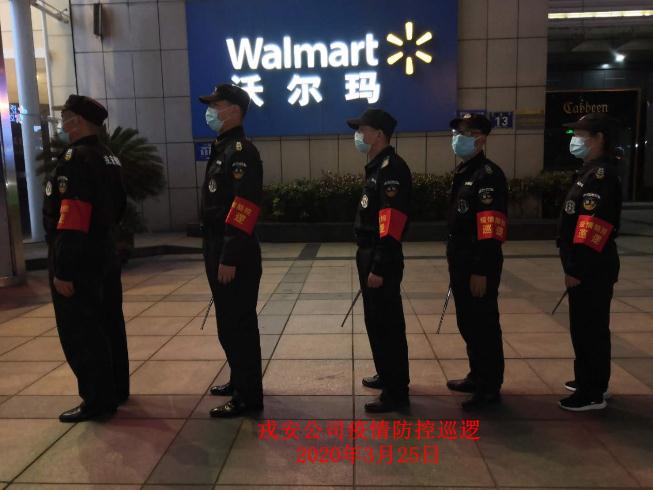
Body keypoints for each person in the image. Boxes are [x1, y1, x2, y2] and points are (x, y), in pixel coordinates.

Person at [42, 95, 128, 422]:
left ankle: (97, 400)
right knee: (109, 323)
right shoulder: (109, 157)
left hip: (79, 257)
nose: (62, 124)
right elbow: (118, 208)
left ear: (76, 121)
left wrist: (63, 269)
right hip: (104, 251)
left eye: (64, 117)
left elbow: (72, 216)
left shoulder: (75, 159)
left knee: (82, 330)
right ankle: (116, 389)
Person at [199, 84, 264, 417]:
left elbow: (244, 207)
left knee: (238, 325)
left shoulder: (240, 152)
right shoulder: (223, 149)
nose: (211, 111)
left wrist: (229, 256)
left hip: (233, 251)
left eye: (217, 105)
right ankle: (239, 378)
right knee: (228, 323)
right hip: (219, 245)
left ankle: (247, 396)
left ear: (234, 111)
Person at [347, 108, 412, 413]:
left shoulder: (391, 169)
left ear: (379, 135)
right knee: (375, 321)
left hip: (380, 254)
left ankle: (396, 391)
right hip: (369, 253)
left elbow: (392, 222)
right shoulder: (377, 167)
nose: (358, 135)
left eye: (362, 130)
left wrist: (379, 266)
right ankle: (387, 375)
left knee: (387, 324)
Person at [557, 113, 622, 412]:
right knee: (588, 327)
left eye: (582, 135)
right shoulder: (590, 172)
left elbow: (592, 226)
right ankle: (592, 380)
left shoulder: (601, 176)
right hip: (591, 267)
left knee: (588, 329)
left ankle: (591, 393)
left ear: (599, 139)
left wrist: (575, 269)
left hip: (590, 268)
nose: (575, 140)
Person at [445, 113, 508, 411]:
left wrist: (481, 269)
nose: (458, 138)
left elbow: (491, 227)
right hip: (461, 260)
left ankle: (489, 386)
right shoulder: (466, 171)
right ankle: (476, 374)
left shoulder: (488, 176)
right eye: (457, 132)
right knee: (468, 321)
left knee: (483, 324)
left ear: (481, 138)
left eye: (465, 132)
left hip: (477, 263)